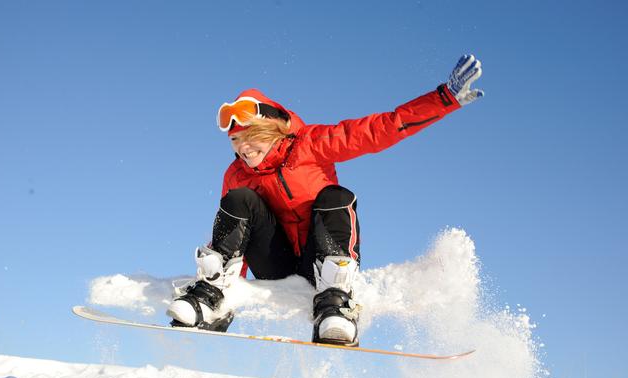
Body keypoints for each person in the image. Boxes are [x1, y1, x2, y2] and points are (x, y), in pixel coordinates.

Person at [166, 54, 484, 347]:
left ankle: (336, 303)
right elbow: (234, 236)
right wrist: (228, 295)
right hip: (275, 266)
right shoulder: (237, 174)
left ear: (273, 129)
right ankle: (212, 298)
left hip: (321, 263)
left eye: (252, 138)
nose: (243, 150)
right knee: (238, 200)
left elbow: (382, 128)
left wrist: (444, 99)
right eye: (235, 141)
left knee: (336, 196)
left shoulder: (311, 144)